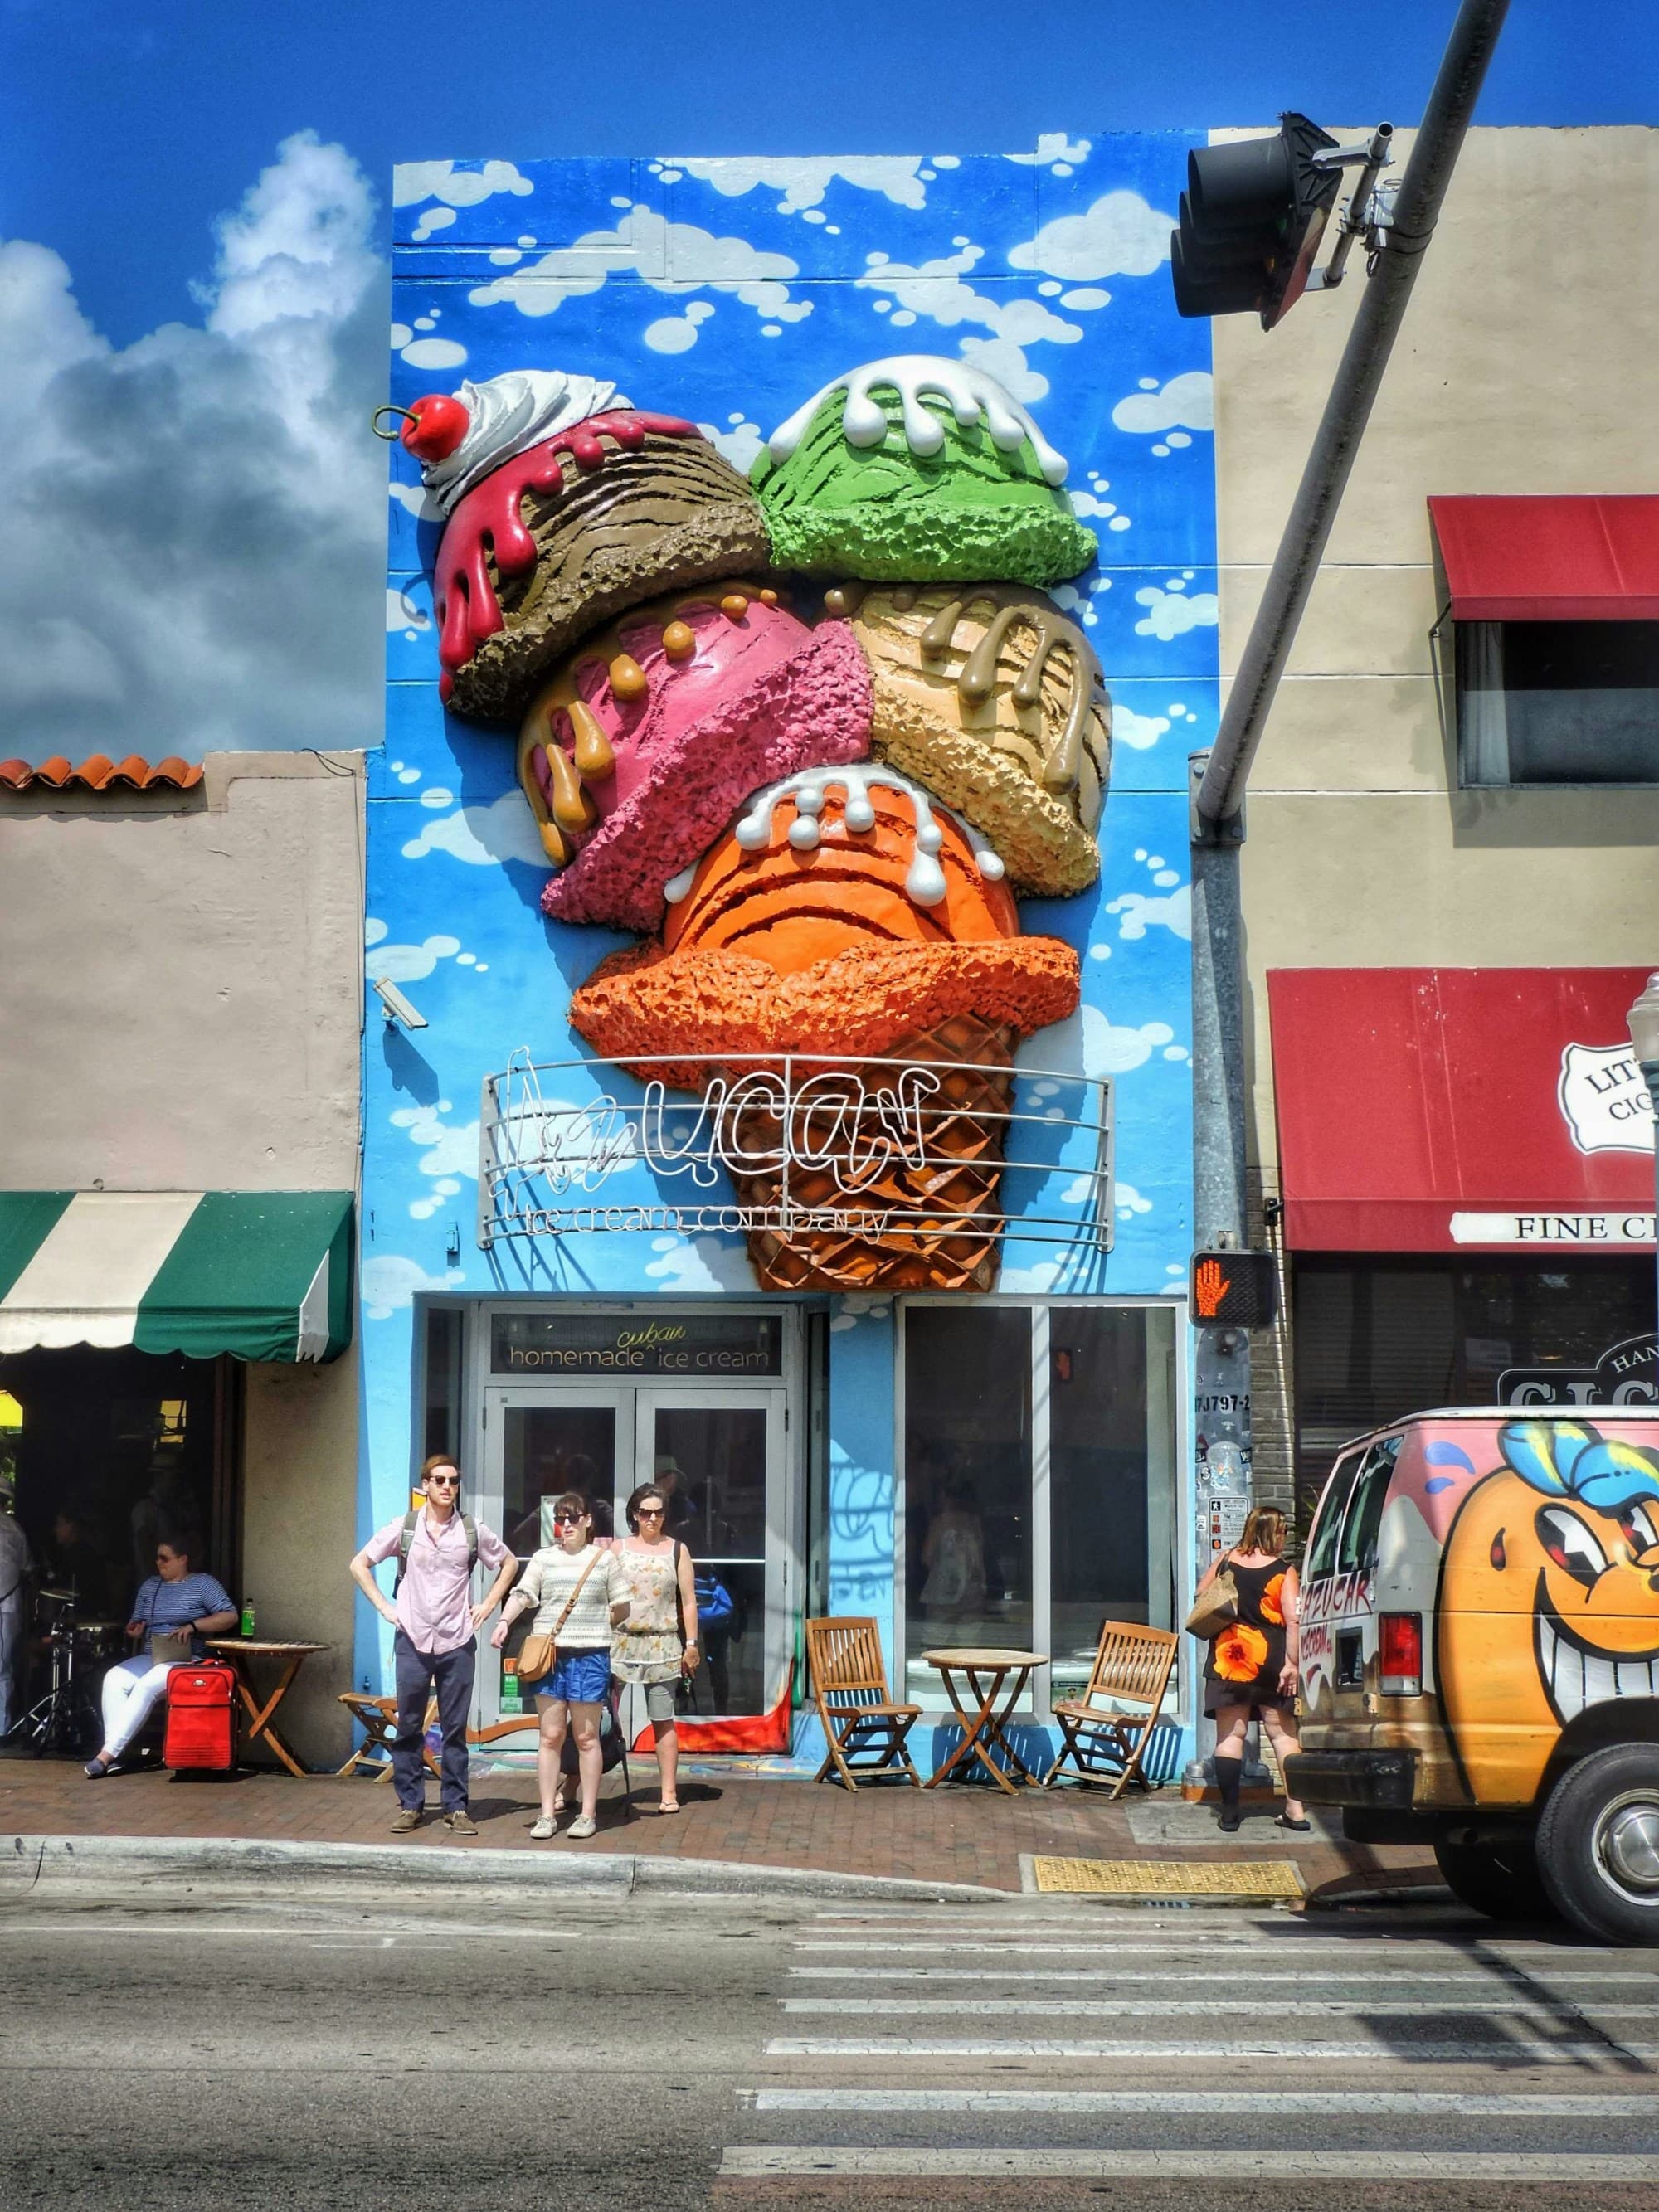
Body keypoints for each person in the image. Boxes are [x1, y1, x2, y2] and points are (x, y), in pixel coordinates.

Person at [350, 1455, 518, 1838]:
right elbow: (359, 1564)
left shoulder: (472, 1530)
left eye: (453, 1481)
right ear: (425, 1484)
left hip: (457, 1639)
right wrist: (384, 1608)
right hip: (412, 1636)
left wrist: (489, 1605)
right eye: (439, 1480)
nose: (447, 1487)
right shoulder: (405, 1528)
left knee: (455, 1728)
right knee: (409, 1725)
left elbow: (508, 1563)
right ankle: (410, 1804)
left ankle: (456, 1807)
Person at [491, 1490, 628, 1840]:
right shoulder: (542, 1558)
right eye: (560, 1518)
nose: (566, 1525)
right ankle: (547, 1814)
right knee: (550, 1736)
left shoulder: (604, 1560)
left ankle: (587, 1813)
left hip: (591, 1655)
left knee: (586, 1736)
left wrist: (600, 1621)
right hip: (550, 1655)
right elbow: (524, 1593)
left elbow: (623, 1604)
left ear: (587, 1521)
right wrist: (505, 1621)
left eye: (573, 1518)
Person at [1193, 1505, 1311, 1835]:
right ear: (1272, 1532)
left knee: (1231, 1736)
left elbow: (1202, 1594)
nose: (1285, 1536)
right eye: (1283, 1530)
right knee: (1283, 1735)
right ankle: (1296, 1811)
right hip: (1271, 1660)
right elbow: (1294, 1620)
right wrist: (1292, 1664)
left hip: (1228, 1658)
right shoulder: (1283, 1572)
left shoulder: (1227, 1560)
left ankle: (1230, 1813)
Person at [84, 1534, 237, 1777]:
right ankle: (117, 1753)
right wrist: (134, 1630)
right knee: (114, 1678)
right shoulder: (150, 1586)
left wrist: (193, 1626)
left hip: (188, 1657)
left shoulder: (203, 1584)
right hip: (153, 1654)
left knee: (146, 1686)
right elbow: (138, 1622)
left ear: (183, 1560)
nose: (159, 1563)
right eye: (157, 1558)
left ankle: (106, 1755)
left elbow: (229, 1616)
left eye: (164, 1558)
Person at [611, 1482, 700, 1814]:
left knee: (663, 1719)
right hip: (619, 1641)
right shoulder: (618, 1549)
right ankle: (576, 1782)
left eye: (658, 1512)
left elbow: (689, 1601)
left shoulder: (677, 1549)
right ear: (634, 1514)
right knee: (599, 1717)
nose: (651, 1518)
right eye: (645, 1512)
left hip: (662, 1643)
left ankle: (668, 1792)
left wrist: (691, 1644)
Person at [919, 1478, 987, 1619]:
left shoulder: (939, 1523)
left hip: (943, 1589)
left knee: (936, 1636)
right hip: (971, 1590)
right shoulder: (974, 1522)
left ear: (944, 1496)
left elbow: (927, 1556)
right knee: (969, 1638)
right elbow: (979, 1559)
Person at [0, 1471, 34, 1740]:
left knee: (4, 1667)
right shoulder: (16, 1530)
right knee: (4, 1667)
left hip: (8, 1604)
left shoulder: (14, 1530)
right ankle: (2, 1726)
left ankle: (2, 1726)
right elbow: (26, 1569)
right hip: (9, 1605)